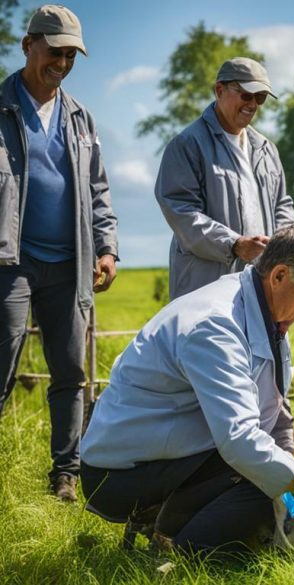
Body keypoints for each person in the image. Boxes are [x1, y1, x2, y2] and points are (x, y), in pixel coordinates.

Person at [80, 222, 294, 555]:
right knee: (261, 491)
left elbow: (274, 408)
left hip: (172, 450)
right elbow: (241, 439)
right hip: (121, 473)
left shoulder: (264, 313)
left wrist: (290, 474)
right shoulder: (216, 326)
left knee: (275, 478)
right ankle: (181, 548)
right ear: (280, 276)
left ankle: (171, 520)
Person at [0, 5, 118, 503]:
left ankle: (66, 474)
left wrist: (107, 247)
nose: (62, 62)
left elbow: (98, 189)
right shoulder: (3, 106)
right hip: (10, 262)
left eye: (71, 54)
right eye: (54, 50)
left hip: (70, 264)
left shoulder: (79, 116)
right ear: (29, 45)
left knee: (70, 372)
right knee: (2, 360)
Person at [155, 57, 294, 300]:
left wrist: (282, 245)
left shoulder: (266, 149)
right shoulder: (187, 145)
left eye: (260, 98)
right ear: (219, 90)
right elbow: (181, 211)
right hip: (205, 287)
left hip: (260, 285)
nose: (252, 104)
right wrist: (234, 244)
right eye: (246, 95)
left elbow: (282, 205)